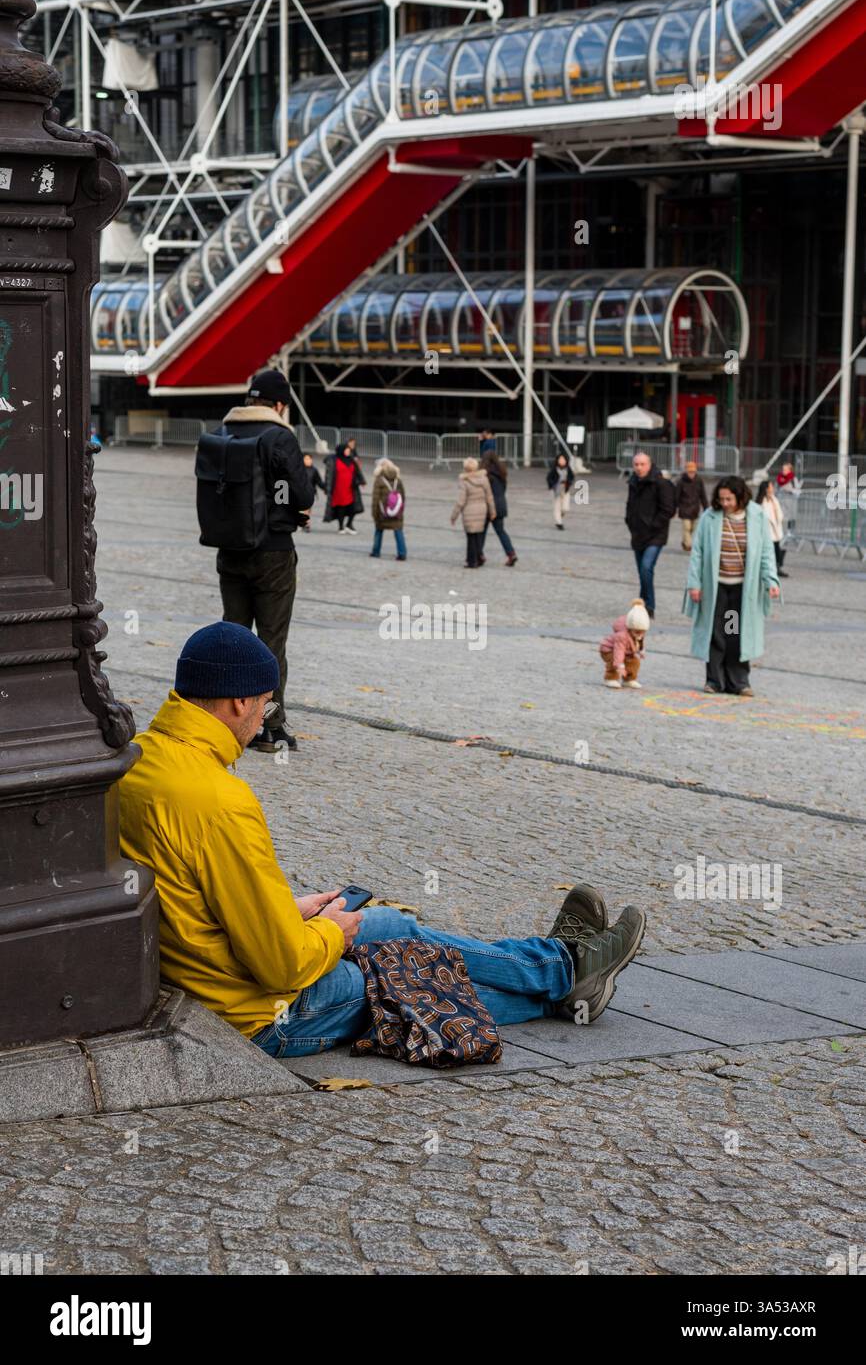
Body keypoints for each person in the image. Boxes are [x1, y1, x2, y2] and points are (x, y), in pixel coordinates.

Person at [118, 623, 648, 1057]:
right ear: (236, 702)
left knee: (394, 926)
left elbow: (200, 898)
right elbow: (281, 966)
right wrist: (331, 932)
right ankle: (565, 976)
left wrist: (291, 908)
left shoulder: (140, 761)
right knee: (407, 980)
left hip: (203, 974)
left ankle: (560, 967)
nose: (262, 723)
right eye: (264, 706)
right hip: (257, 1012)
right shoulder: (219, 800)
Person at [211, 367, 313, 754]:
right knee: (271, 643)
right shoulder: (279, 437)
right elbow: (296, 493)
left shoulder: (224, 432)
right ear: (280, 404)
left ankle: (225, 722)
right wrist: (289, 513)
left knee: (234, 638)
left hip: (229, 550)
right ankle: (270, 727)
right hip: (272, 552)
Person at [684, 474, 780, 697]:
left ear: (740, 497)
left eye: (729, 499)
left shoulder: (756, 516)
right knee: (715, 633)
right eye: (721, 499)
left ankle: (737, 681)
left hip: (740, 589)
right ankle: (714, 680)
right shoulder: (711, 517)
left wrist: (771, 580)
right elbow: (697, 552)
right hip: (716, 587)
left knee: (734, 632)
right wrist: (694, 584)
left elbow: (766, 552)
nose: (724, 503)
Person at [625, 451, 676, 619]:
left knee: (647, 567)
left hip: (655, 535)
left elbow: (668, 509)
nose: (639, 468)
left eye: (642, 464)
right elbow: (630, 505)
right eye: (636, 465)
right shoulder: (633, 482)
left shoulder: (661, 483)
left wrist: (654, 525)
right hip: (638, 533)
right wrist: (629, 521)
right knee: (642, 571)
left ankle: (650, 606)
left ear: (650, 464)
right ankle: (642, 604)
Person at [451, 456, 496, 568]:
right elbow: (489, 496)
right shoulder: (483, 479)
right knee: (478, 535)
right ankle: (478, 557)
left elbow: (461, 501)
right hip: (482, 510)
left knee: (471, 537)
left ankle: (472, 561)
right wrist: (492, 511)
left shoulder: (464, 481)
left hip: (469, 511)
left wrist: (454, 515)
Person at [599, 598, 650, 689]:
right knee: (614, 661)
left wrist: (641, 650)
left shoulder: (639, 633)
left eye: (642, 632)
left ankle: (628, 679)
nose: (640, 635)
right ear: (630, 629)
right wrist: (620, 665)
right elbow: (619, 652)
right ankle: (610, 678)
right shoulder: (622, 636)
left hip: (626, 651)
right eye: (637, 632)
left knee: (634, 661)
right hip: (609, 649)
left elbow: (640, 642)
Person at [480, 450, 517, 566]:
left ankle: (479, 554)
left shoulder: (485, 475)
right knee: (501, 531)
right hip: (501, 505)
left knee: (482, 531)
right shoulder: (502, 473)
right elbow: (503, 490)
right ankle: (511, 553)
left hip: (488, 506)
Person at [370, 457, 407, 560]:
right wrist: (400, 509)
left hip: (383, 511)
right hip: (396, 511)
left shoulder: (379, 480)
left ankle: (376, 551)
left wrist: (374, 513)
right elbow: (403, 496)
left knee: (379, 530)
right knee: (398, 531)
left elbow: (375, 498)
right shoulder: (397, 479)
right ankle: (402, 553)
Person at [324, 441, 365, 532]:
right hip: (338, 489)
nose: (348, 451)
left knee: (354, 507)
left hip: (350, 488)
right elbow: (328, 475)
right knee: (341, 507)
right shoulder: (334, 460)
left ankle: (349, 524)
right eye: (346, 449)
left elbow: (358, 472)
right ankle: (341, 526)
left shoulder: (351, 460)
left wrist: (362, 481)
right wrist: (327, 488)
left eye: (349, 450)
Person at [755, 478, 788, 578]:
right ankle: (770, 569)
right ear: (766, 489)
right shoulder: (761, 502)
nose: (772, 488)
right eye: (770, 486)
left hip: (775, 530)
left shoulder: (774, 499)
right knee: (769, 551)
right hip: (768, 531)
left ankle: (777, 568)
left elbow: (778, 513)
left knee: (777, 550)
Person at [673, 460, 708, 552]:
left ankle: (684, 542)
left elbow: (703, 495)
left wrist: (706, 508)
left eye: (693, 472)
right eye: (690, 472)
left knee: (692, 528)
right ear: (686, 471)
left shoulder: (699, 481)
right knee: (687, 527)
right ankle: (688, 545)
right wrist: (674, 509)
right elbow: (676, 496)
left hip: (695, 509)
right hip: (684, 508)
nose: (691, 474)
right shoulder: (681, 482)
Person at [297, 453, 326, 533]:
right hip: (300, 492)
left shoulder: (314, 470)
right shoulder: (298, 469)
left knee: (307, 510)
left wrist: (325, 488)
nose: (308, 461)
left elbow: (319, 481)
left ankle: (305, 524)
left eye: (309, 459)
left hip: (310, 492)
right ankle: (304, 524)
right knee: (303, 509)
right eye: (306, 459)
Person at [775, 460, 802, 540]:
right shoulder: (779, 478)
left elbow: (797, 489)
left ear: (790, 470)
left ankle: (791, 533)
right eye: (783, 469)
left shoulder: (793, 479)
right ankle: (779, 534)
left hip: (791, 502)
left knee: (791, 517)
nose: (783, 471)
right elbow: (775, 489)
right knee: (780, 518)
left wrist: (791, 491)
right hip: (781, 502)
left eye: (785, 469)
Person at [547, 452, 573, 529]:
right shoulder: (554, 469)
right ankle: (559, 523)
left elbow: (571, 477)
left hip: (565, 489)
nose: (562, 461)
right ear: (557, 461)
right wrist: (552, 485)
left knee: (565, 508)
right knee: (557, 507)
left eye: (563, 460)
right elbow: (549, 478)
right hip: (556, 490)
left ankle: (561, 514)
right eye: (560, 460)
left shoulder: (568, 469)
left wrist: (569, 482)